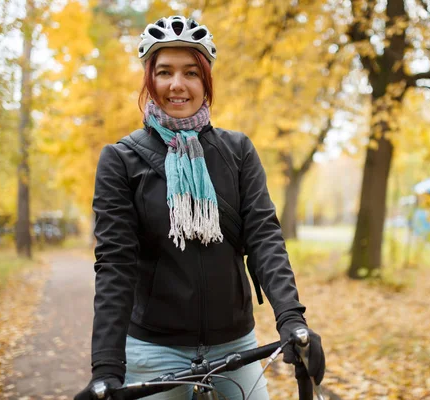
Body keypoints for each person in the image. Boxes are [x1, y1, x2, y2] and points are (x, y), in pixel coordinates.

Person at [75, 15, 325, 400]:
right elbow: (115, 265)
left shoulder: (237, 151)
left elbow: (264, 238)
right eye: (164, 72)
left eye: (191, 72)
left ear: (205, 80)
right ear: (149, 79)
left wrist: (292, 320)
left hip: (236, 346)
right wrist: (106, 368)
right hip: (154, 350)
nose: (177, 84)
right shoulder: (121, 160)